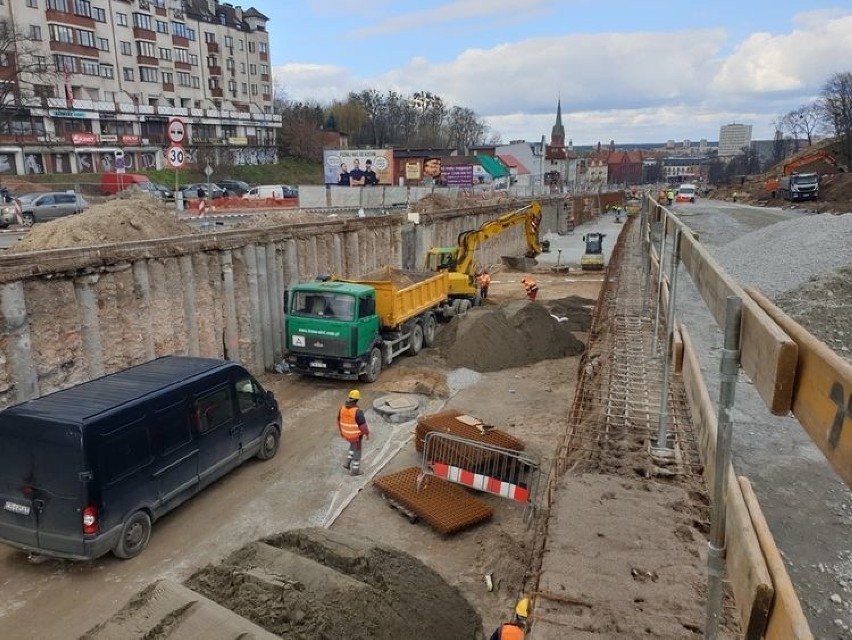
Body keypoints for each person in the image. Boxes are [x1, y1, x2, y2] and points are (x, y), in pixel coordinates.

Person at [338, 389, 370, 476]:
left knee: (352, 446)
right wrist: (367, 434)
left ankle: (347, 463)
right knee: (357, 452)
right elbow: (363, 426)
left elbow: (339, 421)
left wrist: (342, 432)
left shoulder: (342, 408)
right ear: (357, 400)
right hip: (355, 436)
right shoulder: (357, 412)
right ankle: (355, 471)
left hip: (346, 434)